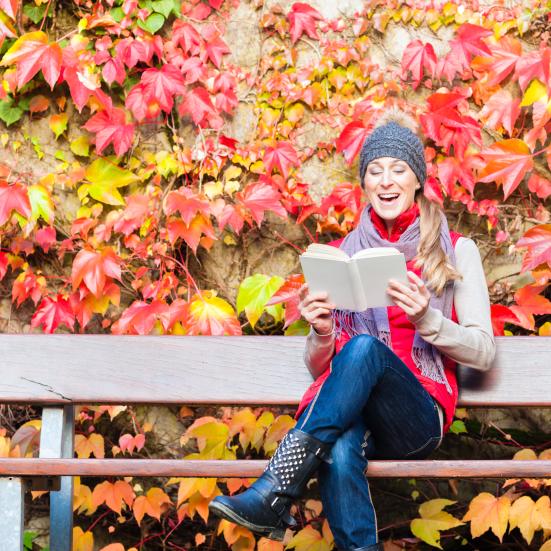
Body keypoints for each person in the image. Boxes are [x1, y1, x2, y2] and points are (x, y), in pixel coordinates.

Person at [209, 107, 496, 551]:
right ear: (363, 183)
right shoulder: (343, 253)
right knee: (340, 447)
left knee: (362, 349)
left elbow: (483, 352)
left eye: (398, 170)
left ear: (417, 180)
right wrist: (321, 330)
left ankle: (275, 488)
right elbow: (321, 366)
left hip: (417, 419)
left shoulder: (457, 250)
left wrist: (429, 320)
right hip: (354, 418)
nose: (386, 181)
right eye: (375, 171)